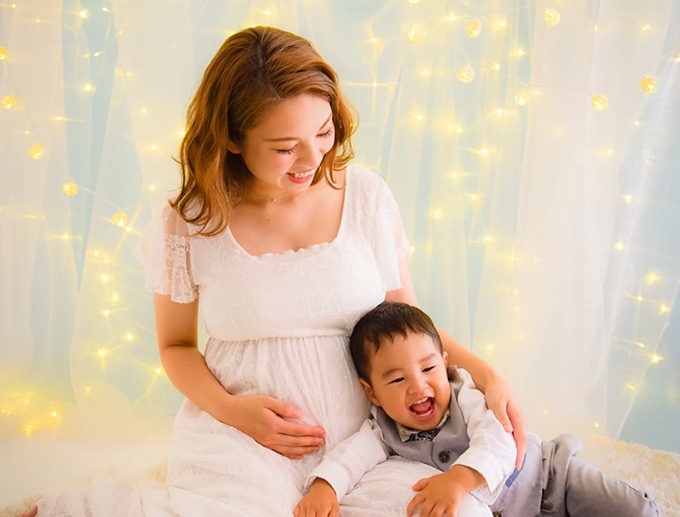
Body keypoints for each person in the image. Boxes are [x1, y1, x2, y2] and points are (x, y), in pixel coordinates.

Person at [25, 26, 525, 517]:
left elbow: (409, 321)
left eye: (323, 132)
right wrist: (232, 412)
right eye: (286, 147)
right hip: (242, 441)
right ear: (233, 138)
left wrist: (487, 375)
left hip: (369, 445)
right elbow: (175, 347)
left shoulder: (366, 196)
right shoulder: (190, 221)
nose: (312, 158)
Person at [295, 302, 660, 517]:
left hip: (549, 476)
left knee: (632, 511)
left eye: (428, 368)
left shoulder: (465, 395)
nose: (418, 387)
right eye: (397, 379)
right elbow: (352, 456)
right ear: (371, 392)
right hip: (508, 511)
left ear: (445, 364)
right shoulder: (383, 428)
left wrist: (460, 479)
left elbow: (497, 440)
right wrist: (326, 486)